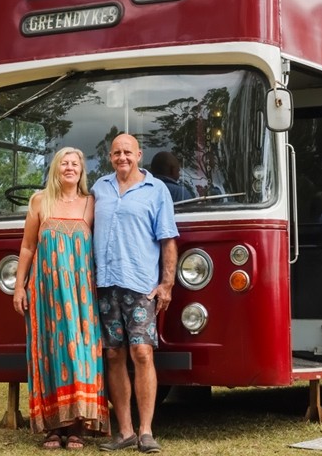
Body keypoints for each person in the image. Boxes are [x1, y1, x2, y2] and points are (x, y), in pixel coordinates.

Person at [13, 147, 108, 449]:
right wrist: (19, 286)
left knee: (81, 352)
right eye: (64, 163)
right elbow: (28, 247)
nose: (69, 168)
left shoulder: (91, 204)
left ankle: (79, 425)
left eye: (75, 163)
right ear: (55, 169)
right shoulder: (40, 202)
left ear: (82, 170)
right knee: (50, 351)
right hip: (45, 291)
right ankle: (53, 427)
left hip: (82, 293)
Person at [92, 133, 179, 454]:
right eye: (116, 153)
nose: (121, 158)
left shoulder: (156, 191)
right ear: (110, 157)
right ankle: (125, 431)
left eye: (127, 152)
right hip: (105, 284)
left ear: (139, 155)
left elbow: (168, 239)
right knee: (113, 355)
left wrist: (166, 283)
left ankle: (146, 432)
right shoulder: (99, 188)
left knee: (142, 353)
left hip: (140, 284)